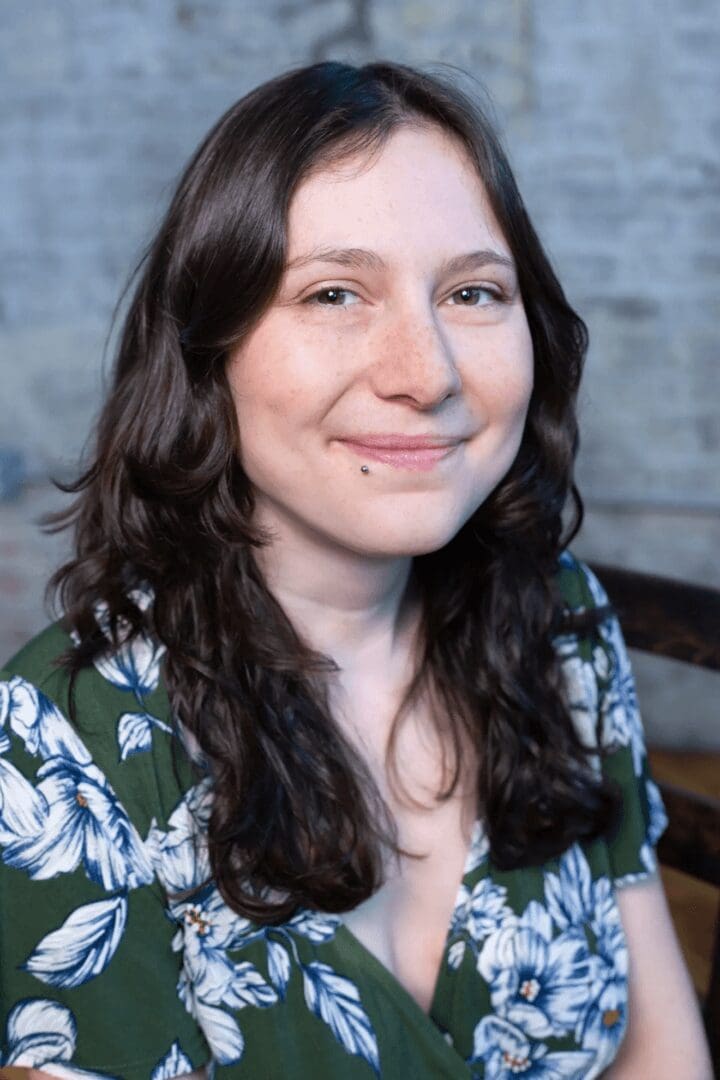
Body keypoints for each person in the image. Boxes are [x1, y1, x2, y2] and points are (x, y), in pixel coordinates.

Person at [0, 60, 711, 1080]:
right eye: (334, 293)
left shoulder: (560, 618)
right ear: (206, 353)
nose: (426, 373)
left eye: (473, 292)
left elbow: (659, 1050)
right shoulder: (52, 752)